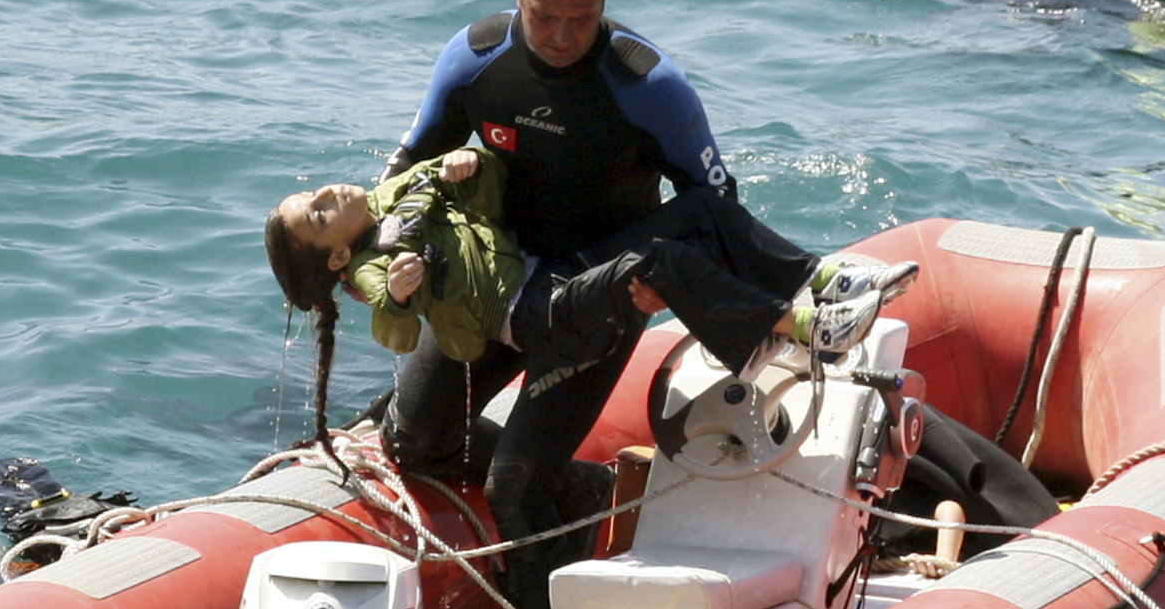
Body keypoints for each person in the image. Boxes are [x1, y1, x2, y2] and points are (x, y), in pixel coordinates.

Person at [362, 0, 766, 609]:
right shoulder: (475, 59)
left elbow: (716, 206)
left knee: (514, 483)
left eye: (579, 21)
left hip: (593, 299)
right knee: (412, 440)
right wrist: (375, 252)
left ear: (604, 4)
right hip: (490, 287)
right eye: (543, 15)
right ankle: (582, 489)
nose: (558, 36)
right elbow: (401, 175)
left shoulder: (648, 85)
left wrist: (667, 284)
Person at [267, 144, 892, 439]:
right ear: (340, 256)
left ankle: (819, 280)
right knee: (658, 261)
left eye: (317, 194)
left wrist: (470, 165)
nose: (329, 195)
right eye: (320, 216)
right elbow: (395, 330)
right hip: (538, 318)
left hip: (552, 272)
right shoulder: (370, 269)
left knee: (700, 208)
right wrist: (402, 295)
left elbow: (492, 201)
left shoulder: (397, 193)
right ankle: (806, 331)